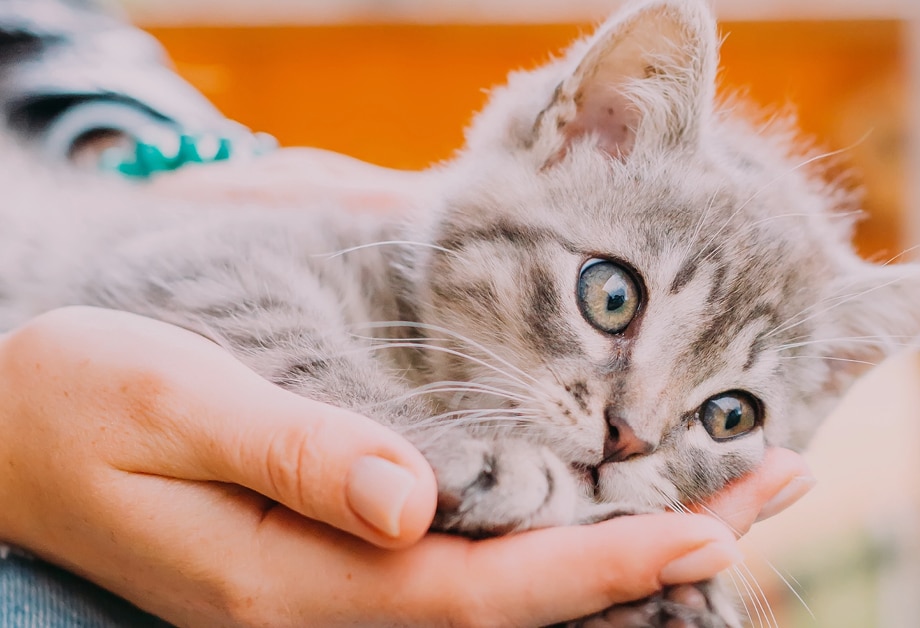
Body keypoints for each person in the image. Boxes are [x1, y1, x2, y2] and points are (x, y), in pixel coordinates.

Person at [0, 1, 816, 626]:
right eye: (614, 301)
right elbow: (180, 274)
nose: (631, 425)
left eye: (725, 410)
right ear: (581, 136)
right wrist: (420, 449)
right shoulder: (360, 255)